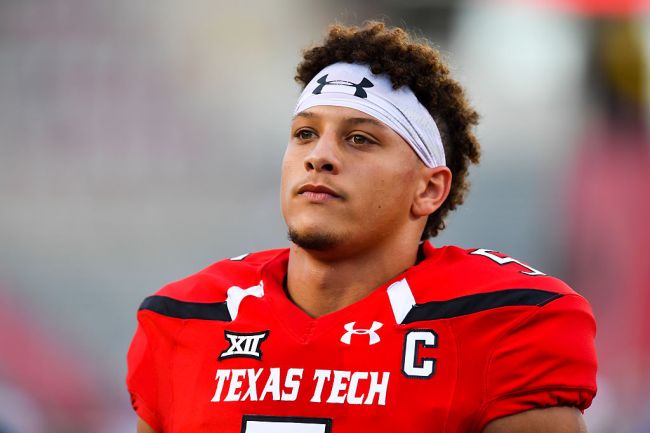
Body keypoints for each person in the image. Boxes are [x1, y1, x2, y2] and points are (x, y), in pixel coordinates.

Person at [126, 21, 597, 433]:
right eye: (305, 134)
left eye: (359, 139)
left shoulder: (506, 324)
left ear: (429, 189)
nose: (319, 156)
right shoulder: (187, 319)